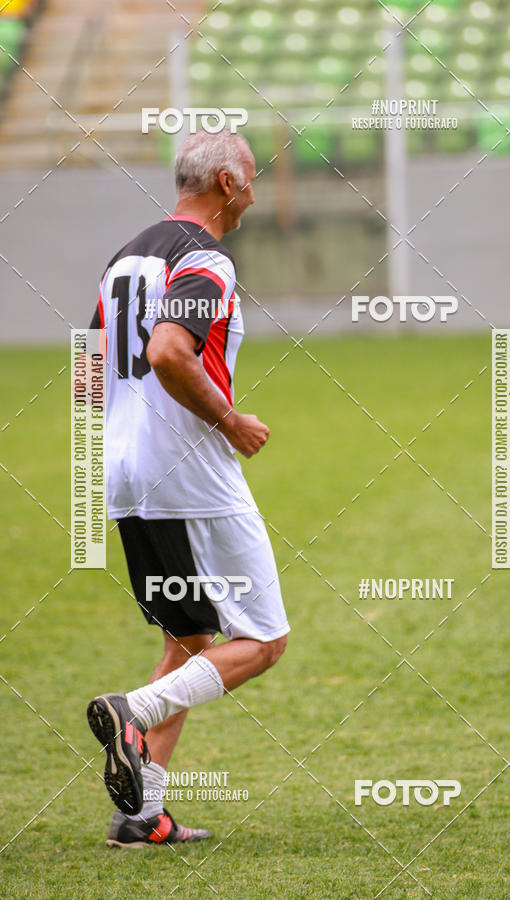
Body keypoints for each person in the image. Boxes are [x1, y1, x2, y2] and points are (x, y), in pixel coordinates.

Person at [86, 129, 289, 849]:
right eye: (254, 178)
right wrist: (230, 420)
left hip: (126, 475)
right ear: (228, 183)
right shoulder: (205, 259)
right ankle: (131, 711)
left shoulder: (125, 258)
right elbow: (169, 349)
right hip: (192, 476)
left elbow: (89, 374)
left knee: (189, 638)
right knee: (262, 639)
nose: (257, 192)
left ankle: (142, 817)